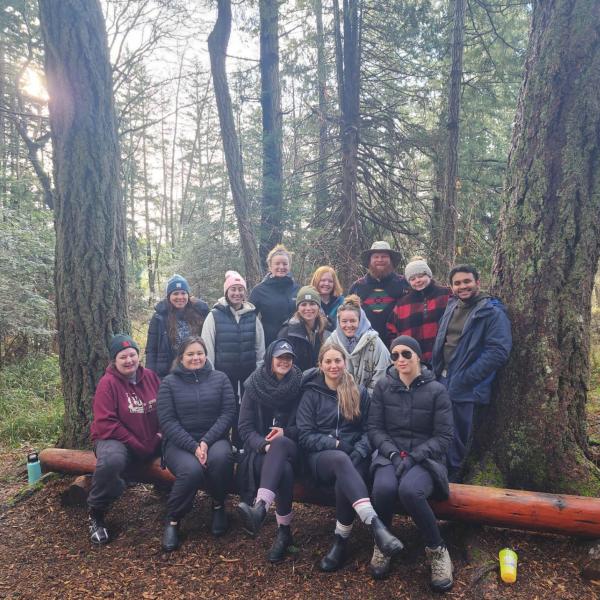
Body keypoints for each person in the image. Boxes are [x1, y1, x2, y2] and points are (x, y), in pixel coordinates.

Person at [296, 343, 403, 573]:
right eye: (328, 361)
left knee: (345, 475)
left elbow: (370, 429)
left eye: (338, 361)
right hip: (320, 458)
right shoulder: (311, 393)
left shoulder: (359, 391)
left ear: (345, 362)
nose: (334, 365)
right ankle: (376, 525)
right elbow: (305, 435)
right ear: (321, 365)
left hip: (356, 455)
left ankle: (340, 541)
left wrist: (359, 451)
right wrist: (336, 444)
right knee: (340, 461)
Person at [369, 336, 454, 590]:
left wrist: (415, 456)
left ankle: (438, 550)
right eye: (394, 355)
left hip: (425, 460)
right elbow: (374, 428)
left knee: (410, 491)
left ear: (418, 356)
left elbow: (444, 436)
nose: (400, 360)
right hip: (390, 455)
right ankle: (383, 543)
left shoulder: (437, 390)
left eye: (406, 354)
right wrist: (394, 454)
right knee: (382, 489)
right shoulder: (384, 387)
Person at [432, 264, 512, 481]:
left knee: (459, 437)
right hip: (443, 378)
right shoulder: (452, 306)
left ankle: (454, 485)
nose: (462, 286)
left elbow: (498, 352)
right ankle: (439, 477)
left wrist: (466, 379)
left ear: (478, 282)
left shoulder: (491, 312)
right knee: (441, 430)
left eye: (467, 281)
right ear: (451, 287)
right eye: (457, 283)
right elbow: (443, 340)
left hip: (468, 386)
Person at [157, 336, 236, 551]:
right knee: (191, 471)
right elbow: (167, 421)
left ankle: (219, 505)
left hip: (214, 439)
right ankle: (173, 519)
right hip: (179, 443)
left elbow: (228, 412)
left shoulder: (220, 378)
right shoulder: (169, 383)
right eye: (190, 354)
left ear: (206, 355)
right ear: (181, 358)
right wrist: (193, 446)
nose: (196, 358)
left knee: (221, 459)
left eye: (199, 353)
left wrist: (206, 442)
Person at [88, 334, 161, 545]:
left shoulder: (151, 377)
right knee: (112, 461)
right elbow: (106, 423)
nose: (129, 360)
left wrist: (158, 437)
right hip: (115, 439)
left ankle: (173, 495)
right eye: (123, 357)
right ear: (114, 360)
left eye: (132, 355)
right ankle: (96, 513)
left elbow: (166, 409)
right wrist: (139, 445)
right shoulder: (107, 384)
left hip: (150, 438)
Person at [236, 339, 303, 563]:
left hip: (293, 446)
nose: (284, 362)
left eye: (288, 358)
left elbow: (304, 425)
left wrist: (285, 432)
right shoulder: (254, 385)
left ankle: (261, 508)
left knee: (281, 444)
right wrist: (264, 445)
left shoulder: (299, 383)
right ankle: (284, 534)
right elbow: (244, 427)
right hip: (261, 452)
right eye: (280, 357)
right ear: (269, 360)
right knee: (282, 469)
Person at [201, 270, 265, 446]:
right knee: (225, 412)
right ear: (226, 292)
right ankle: (222, 447)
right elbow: (208, 348)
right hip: (223, 376)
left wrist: (258, 373)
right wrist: (211, 375)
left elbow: (260, 348)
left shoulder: (252, 316)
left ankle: (241, 446)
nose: (237, 293)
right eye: (233, 289)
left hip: (248, 376)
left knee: (246, 413)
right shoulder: (214, 316)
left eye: (240, 289)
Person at [387, 257, 450, 365]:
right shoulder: (402, 304)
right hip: (414, 362)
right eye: (412, 279)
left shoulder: (446, 295)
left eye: (421, 276)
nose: (417, 281)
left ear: (429, 275)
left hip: (444, 359)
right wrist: (400, 353)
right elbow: (391, 330)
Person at [146, 274, 209, 378]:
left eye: (183, 293)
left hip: (197, 368)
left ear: (188, 295)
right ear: (169, 296)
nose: (180, 297)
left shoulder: (200, 312)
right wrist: (150, 377)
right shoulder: (159, 317)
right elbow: (151, 350)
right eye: (175, 293)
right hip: (169, 372)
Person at [325, 295, 389, 396]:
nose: (349, 325)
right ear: (339, 322)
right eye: (344, 321)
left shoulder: (374, 341)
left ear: (360, 321)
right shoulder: (331, 342)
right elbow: (324, 369)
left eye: (353, 321)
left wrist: (365, 398)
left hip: (369, 400)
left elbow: (382, 371)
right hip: (337, 398)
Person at [349, 241, 409, 346]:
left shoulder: (403, 284)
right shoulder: (358, 287)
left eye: (384, 256)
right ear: (369, 260)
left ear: (391, 260)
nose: (380, 260)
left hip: (398, 345)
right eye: (376, 257)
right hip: (365, 344)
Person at [249, 244, 300, 347]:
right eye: (277, 264)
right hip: (270, 344)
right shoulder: (259, 290)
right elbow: (249, 320)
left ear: (289, 266)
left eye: (285, 264)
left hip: (295, 342)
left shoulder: (298, 290)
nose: (281, 267)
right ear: (270, 266)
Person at [278, 286, 331, 372]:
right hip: (297, 380)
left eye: (312, 304)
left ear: (318, 307)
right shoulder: (288, 332)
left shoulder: (327, 329)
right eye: (303, 304)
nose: (308, 308)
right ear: (298, 308)